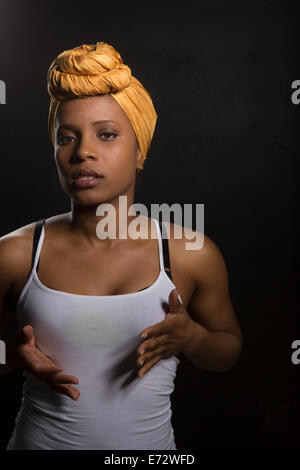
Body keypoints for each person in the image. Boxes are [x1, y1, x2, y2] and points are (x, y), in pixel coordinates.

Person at [0, 41, 242, 450]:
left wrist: (193, 340)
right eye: (66, 138)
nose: (84, 152)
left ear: (139, 151)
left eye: (107, 135)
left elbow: (228, 351)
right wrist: (10, 356)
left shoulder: (189, 254)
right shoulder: (16, 253)